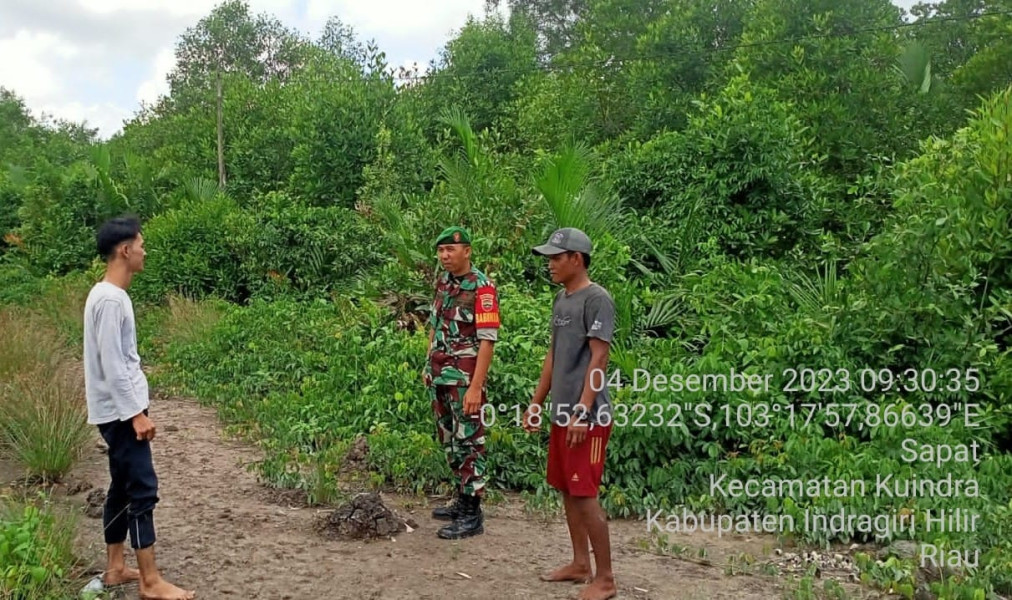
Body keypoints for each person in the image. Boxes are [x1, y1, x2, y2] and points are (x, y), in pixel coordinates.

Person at [83, 216, 195, 600]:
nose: (145, 251)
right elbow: (114, 365)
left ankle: (116, 567)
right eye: (141, 245)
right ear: (125, 250)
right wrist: (136, 414)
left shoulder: (103, 294)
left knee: (122, 488)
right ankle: (150, 581)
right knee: (143, 489)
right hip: (119, 412)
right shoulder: (112, 300)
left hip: (110, 409)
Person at [523, 227, 618, 600]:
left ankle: (606, 578)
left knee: (585, 492)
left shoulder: (597, 299)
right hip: (562, 413)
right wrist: (536, 402)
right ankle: (581, 564)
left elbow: (599, 357)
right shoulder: (562, 300)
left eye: (556, 258)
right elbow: (554, 354)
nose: (550, 264)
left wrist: (583, 411)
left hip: (587, 418)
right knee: (566, 487)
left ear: (576, 259)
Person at [424, 225, 500, 539]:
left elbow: (487, 341)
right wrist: (427, 361)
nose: (445, 256)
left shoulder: (482, 288)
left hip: (465, 379)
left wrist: (476, 387)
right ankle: (461, 499)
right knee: (450, 440)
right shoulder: (443, 282)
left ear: (466, 251)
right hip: (440, 375)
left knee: (470, 441)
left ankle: (472, 513)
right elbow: (435, 323)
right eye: (441, 250)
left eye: (450, 250)